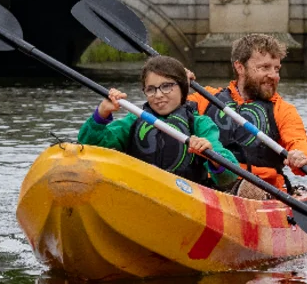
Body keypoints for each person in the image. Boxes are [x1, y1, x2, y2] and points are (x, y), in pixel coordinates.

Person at [78, 56, 239, 190]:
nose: (158, 95)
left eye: (167, 86)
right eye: (151, 89)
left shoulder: (199, 124)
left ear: (183, 88)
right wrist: (102, 113)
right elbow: (88, 145)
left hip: (187, 197)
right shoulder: (133, 121)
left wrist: (212, 155)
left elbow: (229, 176)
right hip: (139, 193)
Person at [187, 34, 307, 195]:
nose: (274, 75)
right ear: (240, 67)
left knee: (250, 190)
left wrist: (301, 156)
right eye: (265, 68)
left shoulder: (283, 110)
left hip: (261, 190)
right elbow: (166, 110)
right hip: (206, 186)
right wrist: (175, 83)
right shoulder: (205, 98)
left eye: (276, 69)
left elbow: (299, 141)